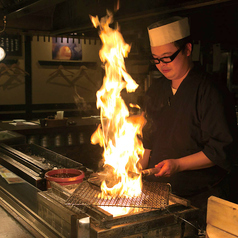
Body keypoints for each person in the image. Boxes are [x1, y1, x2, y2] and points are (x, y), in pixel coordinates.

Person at [141, 16, 237, 230]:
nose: (161, 65)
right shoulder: (156, 90)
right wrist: (136, 169)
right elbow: (148, 140)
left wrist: (178, 164)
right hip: (160, 196)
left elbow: (219, 150)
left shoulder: (211, 91)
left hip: (201, 200)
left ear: (187, 49)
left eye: (167, 57)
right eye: (156, 59)